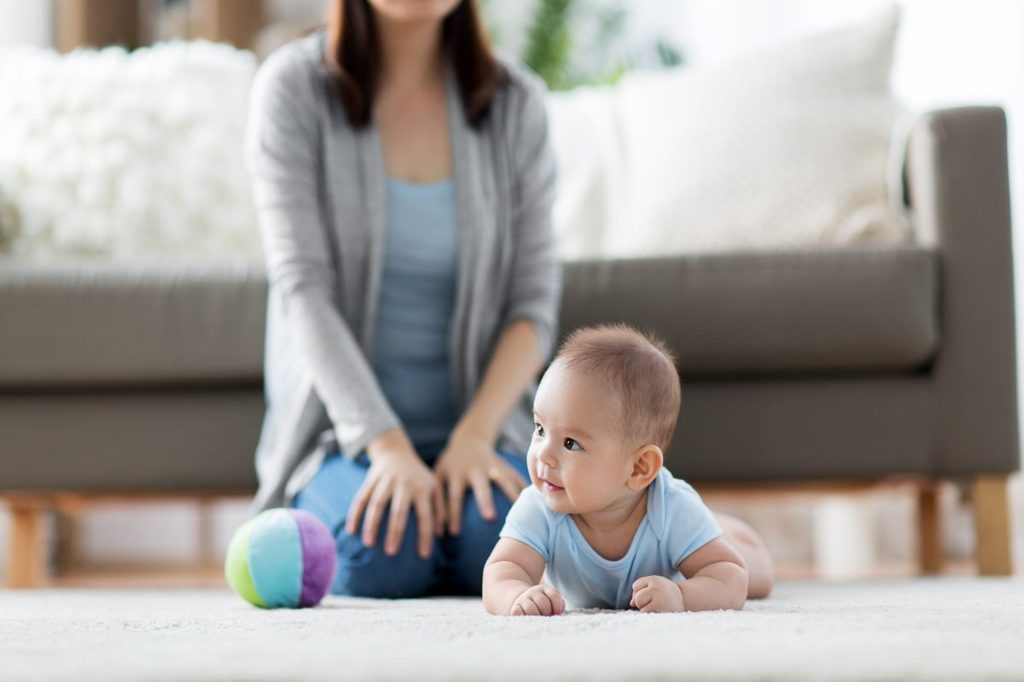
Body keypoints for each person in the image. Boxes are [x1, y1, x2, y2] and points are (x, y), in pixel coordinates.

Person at [246, 0, 560, 598]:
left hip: (482, 433)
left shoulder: (517, 103)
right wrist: (386, 447)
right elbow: (302, 290)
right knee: (382, 557)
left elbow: (533, 307)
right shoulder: (292, 89)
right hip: (343, 439)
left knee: (496, 549)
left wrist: (474, 436)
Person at [483, 324, 775, 615]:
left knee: (756, 575)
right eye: (540, 429)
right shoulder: (540, 504)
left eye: (570, 443)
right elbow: (503, 570)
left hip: (687, 533)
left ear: (638, 468)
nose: (543, 455)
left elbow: (731, 576)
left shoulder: (671, 509)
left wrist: (681, 595)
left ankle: (719, 527)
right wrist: (516, 596)